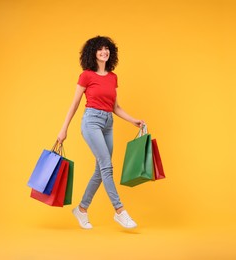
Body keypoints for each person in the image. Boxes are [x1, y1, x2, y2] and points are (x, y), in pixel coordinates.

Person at [57, 36, 144, 229]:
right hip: (91, 122)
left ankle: (81, 209)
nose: (104, 52)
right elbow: (75, 104)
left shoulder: (113, 77)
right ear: (93, 53)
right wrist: (64, 129)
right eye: (100, 49)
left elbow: (115, 107)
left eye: (107, 49)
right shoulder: (86, 75)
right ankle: (120, 211)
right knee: (107, 166)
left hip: (107, 123)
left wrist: (133, 120)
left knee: (100, 170)